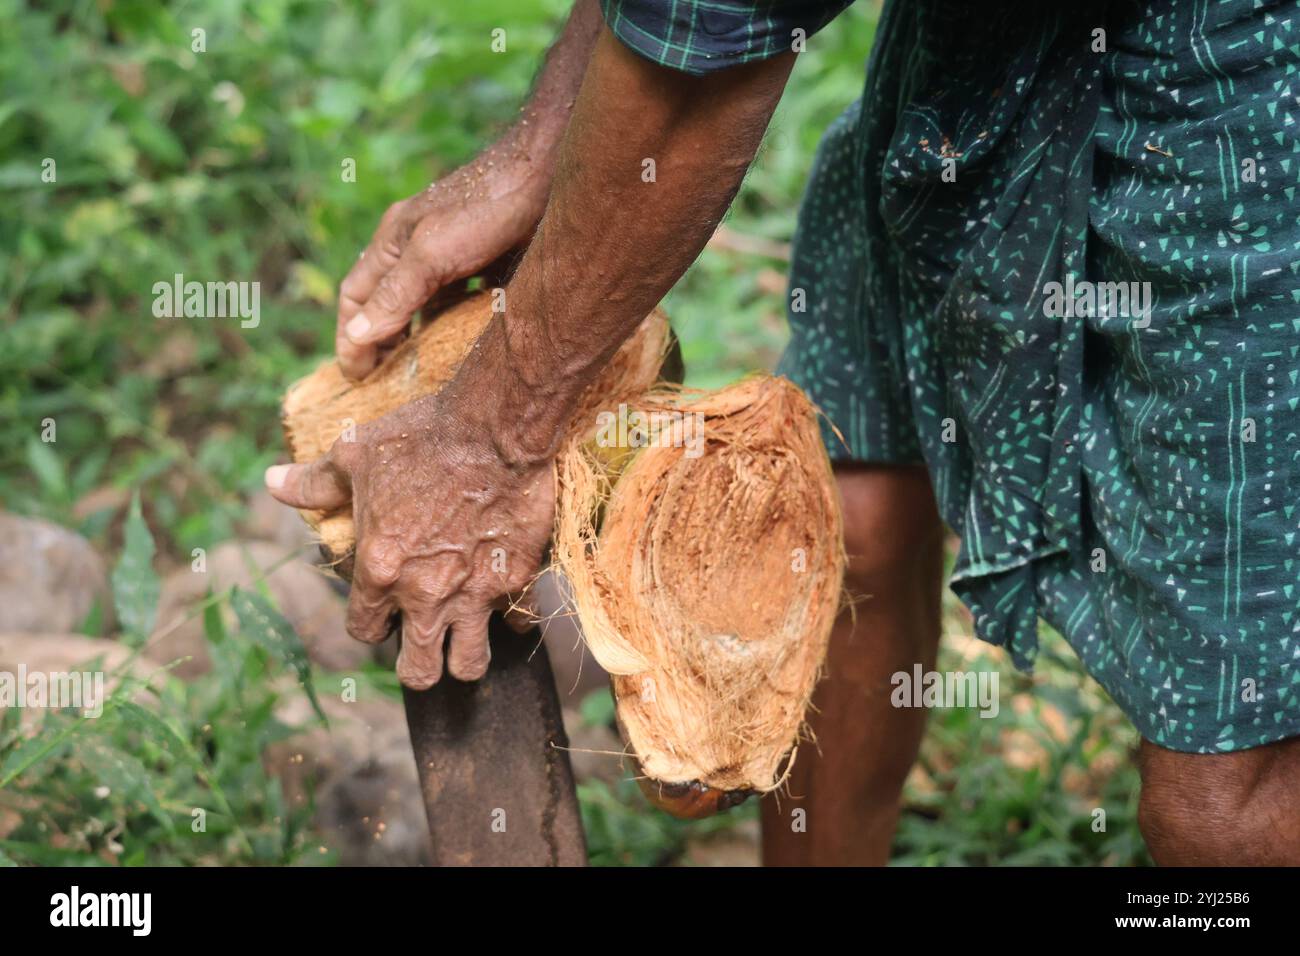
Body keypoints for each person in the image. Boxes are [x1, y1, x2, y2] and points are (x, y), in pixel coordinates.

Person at [265, 0, 1300, 865]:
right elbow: (684, 17)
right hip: (983, 46)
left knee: (1223, 807)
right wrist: (538, 155)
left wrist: (486, 439)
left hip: (1241, 74)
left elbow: (697, 75)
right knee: (847, 504)